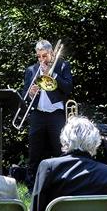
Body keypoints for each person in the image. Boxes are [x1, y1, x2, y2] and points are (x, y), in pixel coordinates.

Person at [20, 39, 73, 188]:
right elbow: (24, 94)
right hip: (38, 114)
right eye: (39, 56)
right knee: (34, 151)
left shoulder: (62, 66)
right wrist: (30, 93)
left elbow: (68, 88)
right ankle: (31, 186)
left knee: (60, 149)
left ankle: (62, 184)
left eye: (45, 56)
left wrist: (53, 74)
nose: (41, 59)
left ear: (52, 53)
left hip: (56, 114)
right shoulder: (31, 70)